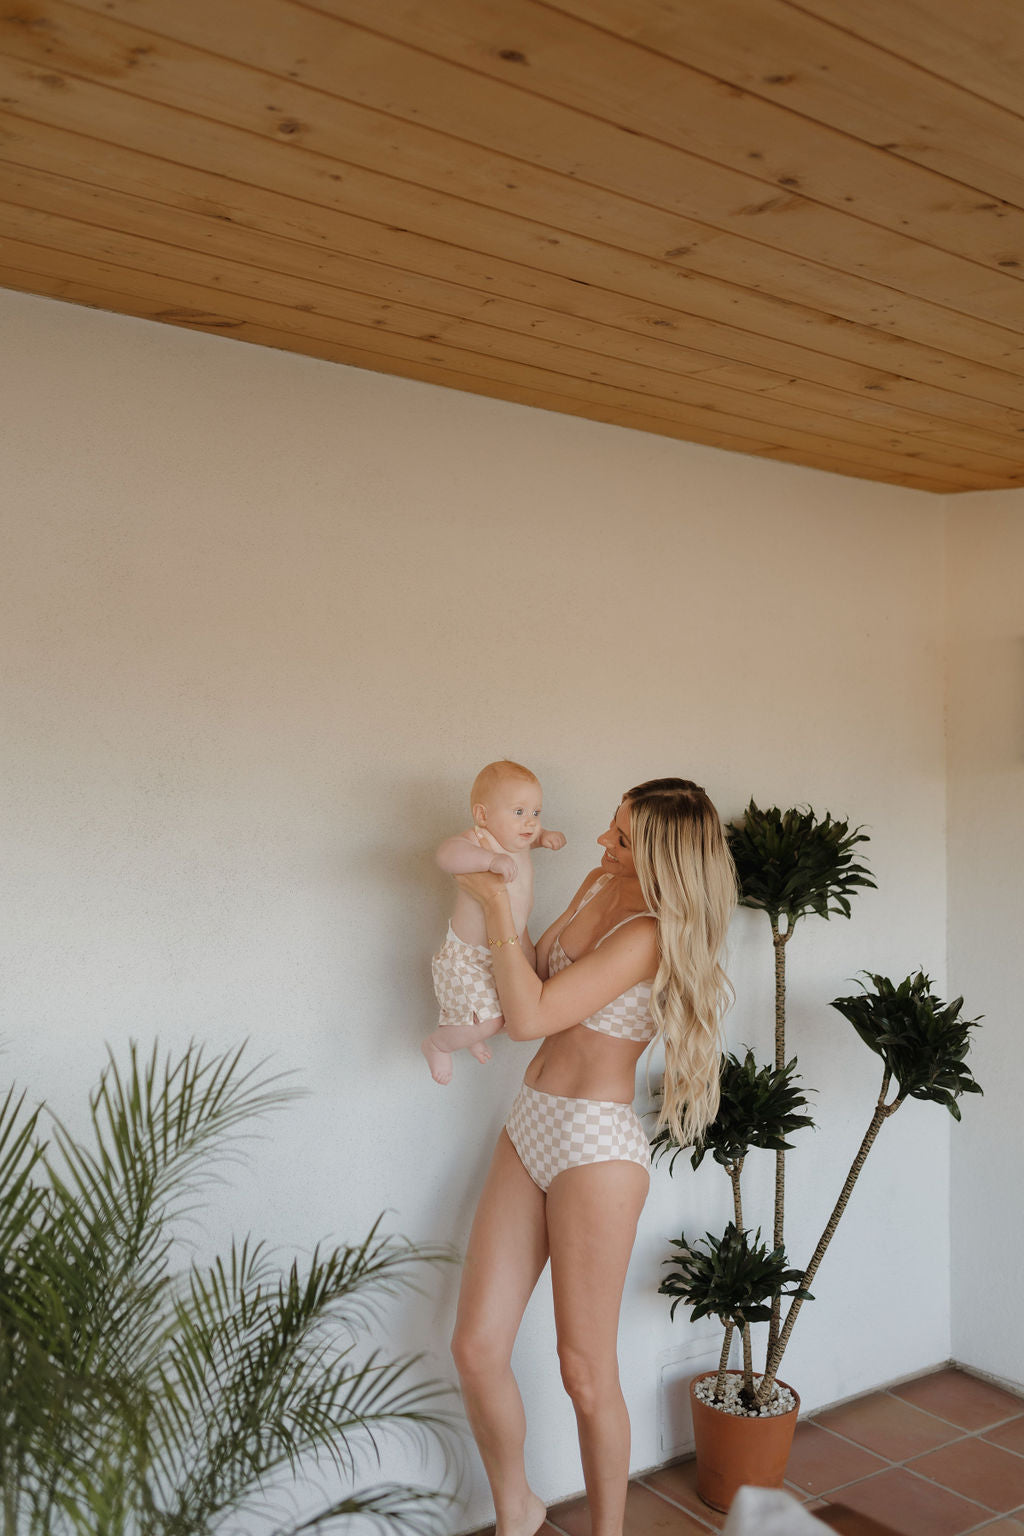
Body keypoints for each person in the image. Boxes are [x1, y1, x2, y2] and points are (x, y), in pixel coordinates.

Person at [450, 778, 737, 1536]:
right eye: (612, 830)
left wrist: (491, 909)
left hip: (594, 1147)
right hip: (531, 1121)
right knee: (477, 1348)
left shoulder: (650, 933)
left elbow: (531, 1016)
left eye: (623, 839)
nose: (604, 844)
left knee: (584, 1371)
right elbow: (540, 973)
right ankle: (519, 1507)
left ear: (666, 860)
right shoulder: (599, 881)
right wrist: (500, 897)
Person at [422, 760, 566, 1085]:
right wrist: (489, 860)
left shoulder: (523, 836)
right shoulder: (480, 840)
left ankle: (472, 1031)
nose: (530, 822)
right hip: (470, 957)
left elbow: (535, 833)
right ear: (483, 815)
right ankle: (437, 1044)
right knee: (489, 1022)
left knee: (513, 1012)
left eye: (536, 812)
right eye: (519, 812)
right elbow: (446, 854)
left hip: (509, 945)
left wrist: (546, 836)